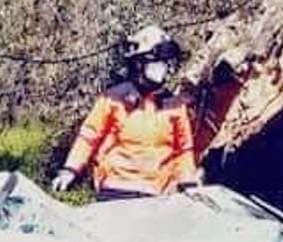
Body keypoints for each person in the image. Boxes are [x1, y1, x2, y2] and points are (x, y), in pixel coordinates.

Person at [52, 25, 200, 201]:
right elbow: (89, 135)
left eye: (165, 64)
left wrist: (188, 184)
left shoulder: (175, 106)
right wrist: (71, 169)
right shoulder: (114, 99)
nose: (162, 70)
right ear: (140, 62)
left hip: (157, 196)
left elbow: (184, 150)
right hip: (115, 189)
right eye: (157, 63)